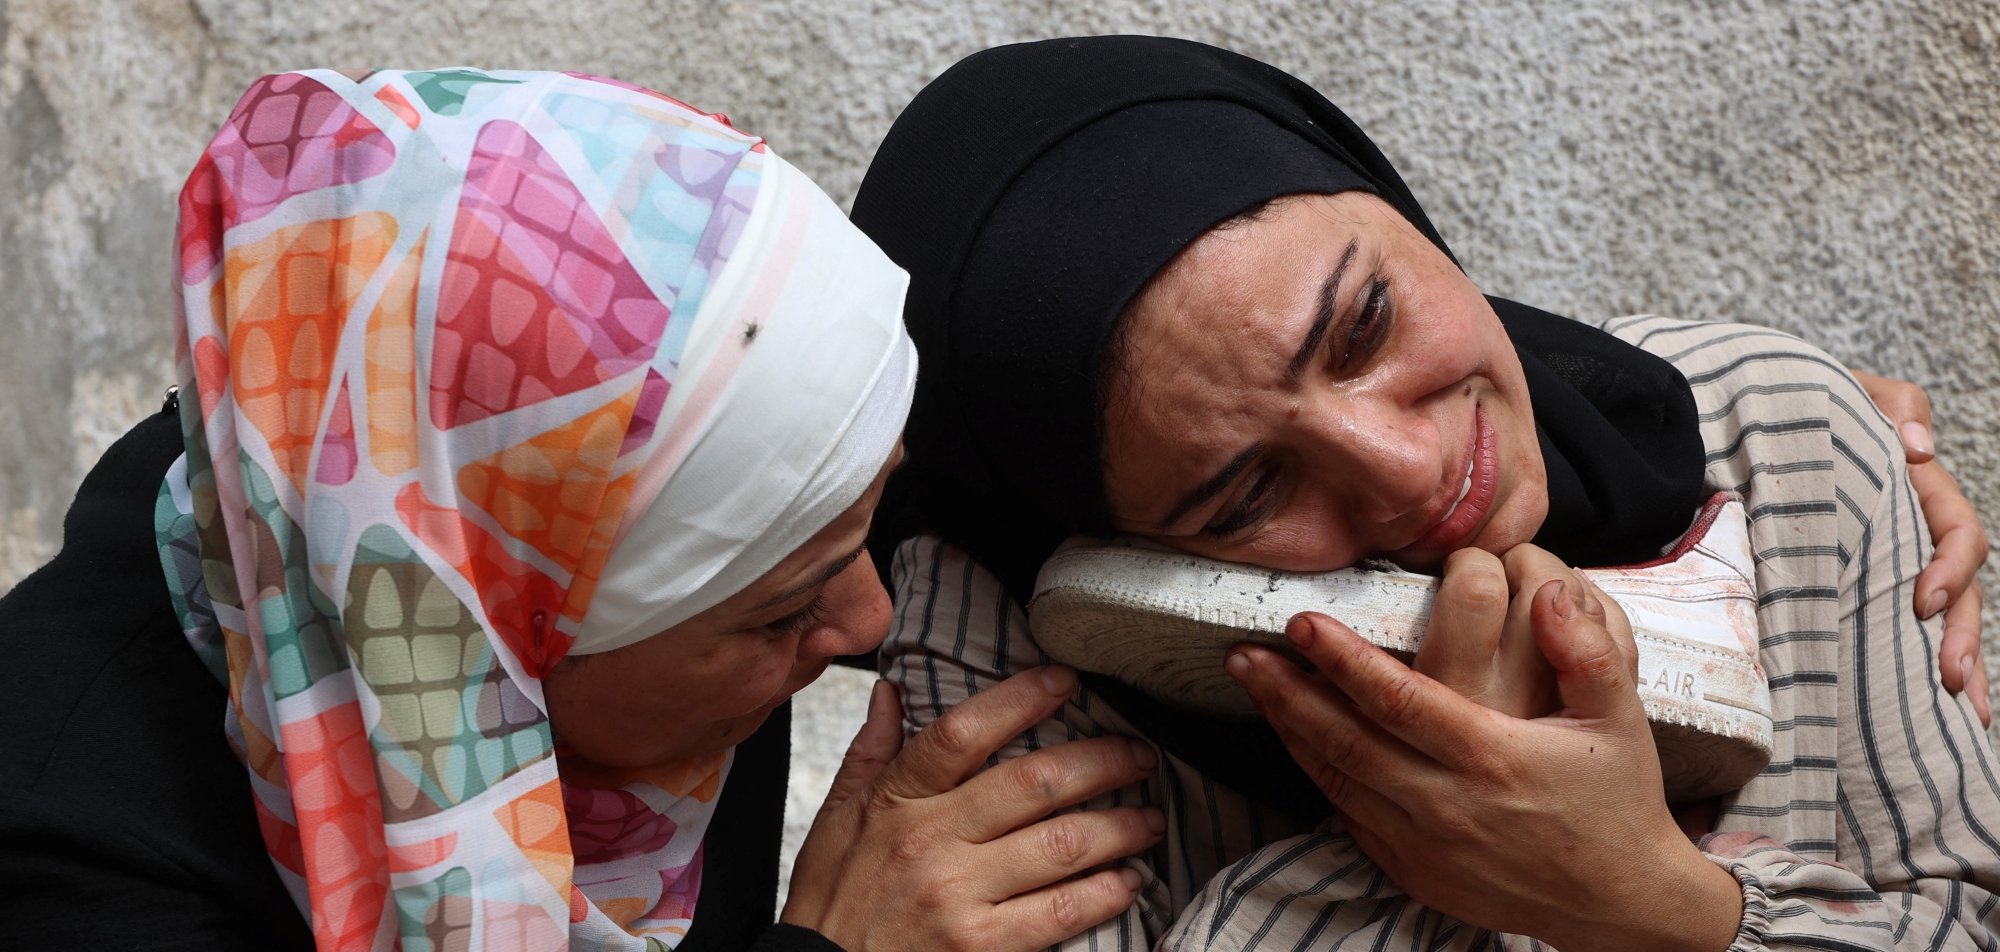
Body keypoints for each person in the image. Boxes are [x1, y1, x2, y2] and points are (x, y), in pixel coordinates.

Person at [847, 36, 2000, 949]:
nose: (1405, 474)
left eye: (1365, 323)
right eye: (1244, 493)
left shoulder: (1773, 431)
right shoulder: (1018, 622)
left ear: (1387, 202)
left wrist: (1654, 906)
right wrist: (1410, 844)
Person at [0, 68, 1166, 951]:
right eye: (780, 612)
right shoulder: (76, 865)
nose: (865, 623)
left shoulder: (474, 516)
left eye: (866, 518)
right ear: (483, 636)